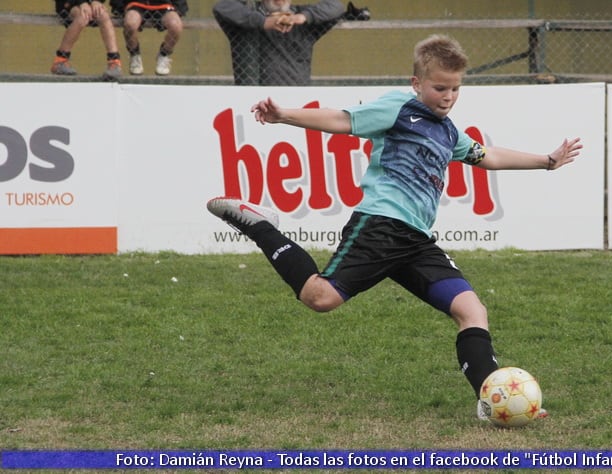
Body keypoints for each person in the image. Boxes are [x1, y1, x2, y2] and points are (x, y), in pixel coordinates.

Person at [206, 34, 583, 421]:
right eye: (440, 87)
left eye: (455, 88)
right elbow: (342, 119)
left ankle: (490, 401)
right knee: (320, 298)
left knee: (472, 310)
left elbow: (488, 156)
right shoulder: (399, 108)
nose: (448, 96)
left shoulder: (449, 131)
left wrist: (547, 161)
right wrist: (284, 114)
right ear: (417, 83)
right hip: (382, 225)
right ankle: (262, 226)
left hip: (417, 240)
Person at [212, 0, 345, 86]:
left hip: (295, 95)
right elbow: (222, 6)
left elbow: (336, 7)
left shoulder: (301, 17)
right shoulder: (250, 16)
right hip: (252, 96)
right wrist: (262, 22)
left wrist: (303, 17)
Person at [110, 0, 188, 76]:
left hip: (163, 4)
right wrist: (119, 8)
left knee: (176, 26)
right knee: (130, 24)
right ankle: (134, 55)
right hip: (136, 3)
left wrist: (179, 9)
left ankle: (164, 55)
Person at [52, 0, 122, 79]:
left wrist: (96, 1)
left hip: (90, 3)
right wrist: (81, 2)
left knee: (103, 15)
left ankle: (114, 62)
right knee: (82, 17)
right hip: (69, 3)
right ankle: (60, 60)